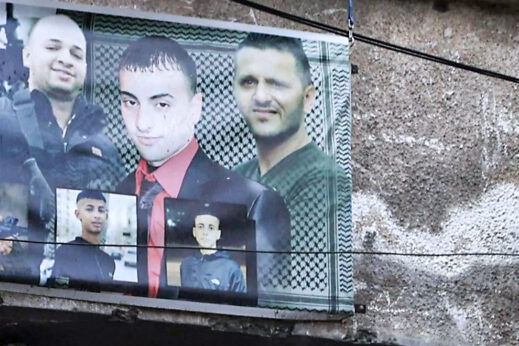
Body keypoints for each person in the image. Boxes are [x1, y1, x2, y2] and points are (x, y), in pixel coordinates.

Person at [116, 35, 288, 300]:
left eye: (161, 104)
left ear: (195, 108)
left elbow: (263, 322)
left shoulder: (254, 203)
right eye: (130, 102)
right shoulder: (119, 193)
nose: (142, 122)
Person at [0, 13, 117, 242]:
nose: (66, 59)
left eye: (76, 54)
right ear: (27, 55)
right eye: (53, 47)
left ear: (85, 68)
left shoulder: (105, 146)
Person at [232, 33, 348, 271]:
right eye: (248, 82)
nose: (261, 97)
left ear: (308, 98)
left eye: (277, 83)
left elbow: (288, 273)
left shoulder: (324, 179)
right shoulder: (236, 176)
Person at [172, 209, 248, 301]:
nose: (205, 232)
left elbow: (241, 304)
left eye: (211, 228)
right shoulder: (186, 264)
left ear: (218, 234)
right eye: (201, 227)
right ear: (194, 232)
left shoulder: (231, 268)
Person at [51, 188, 119, 287]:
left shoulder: (108, 261)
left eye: (101, 210)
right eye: (89, 209)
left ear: (106, 216)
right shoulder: (64, 252)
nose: (97, 215)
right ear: (78, 214)